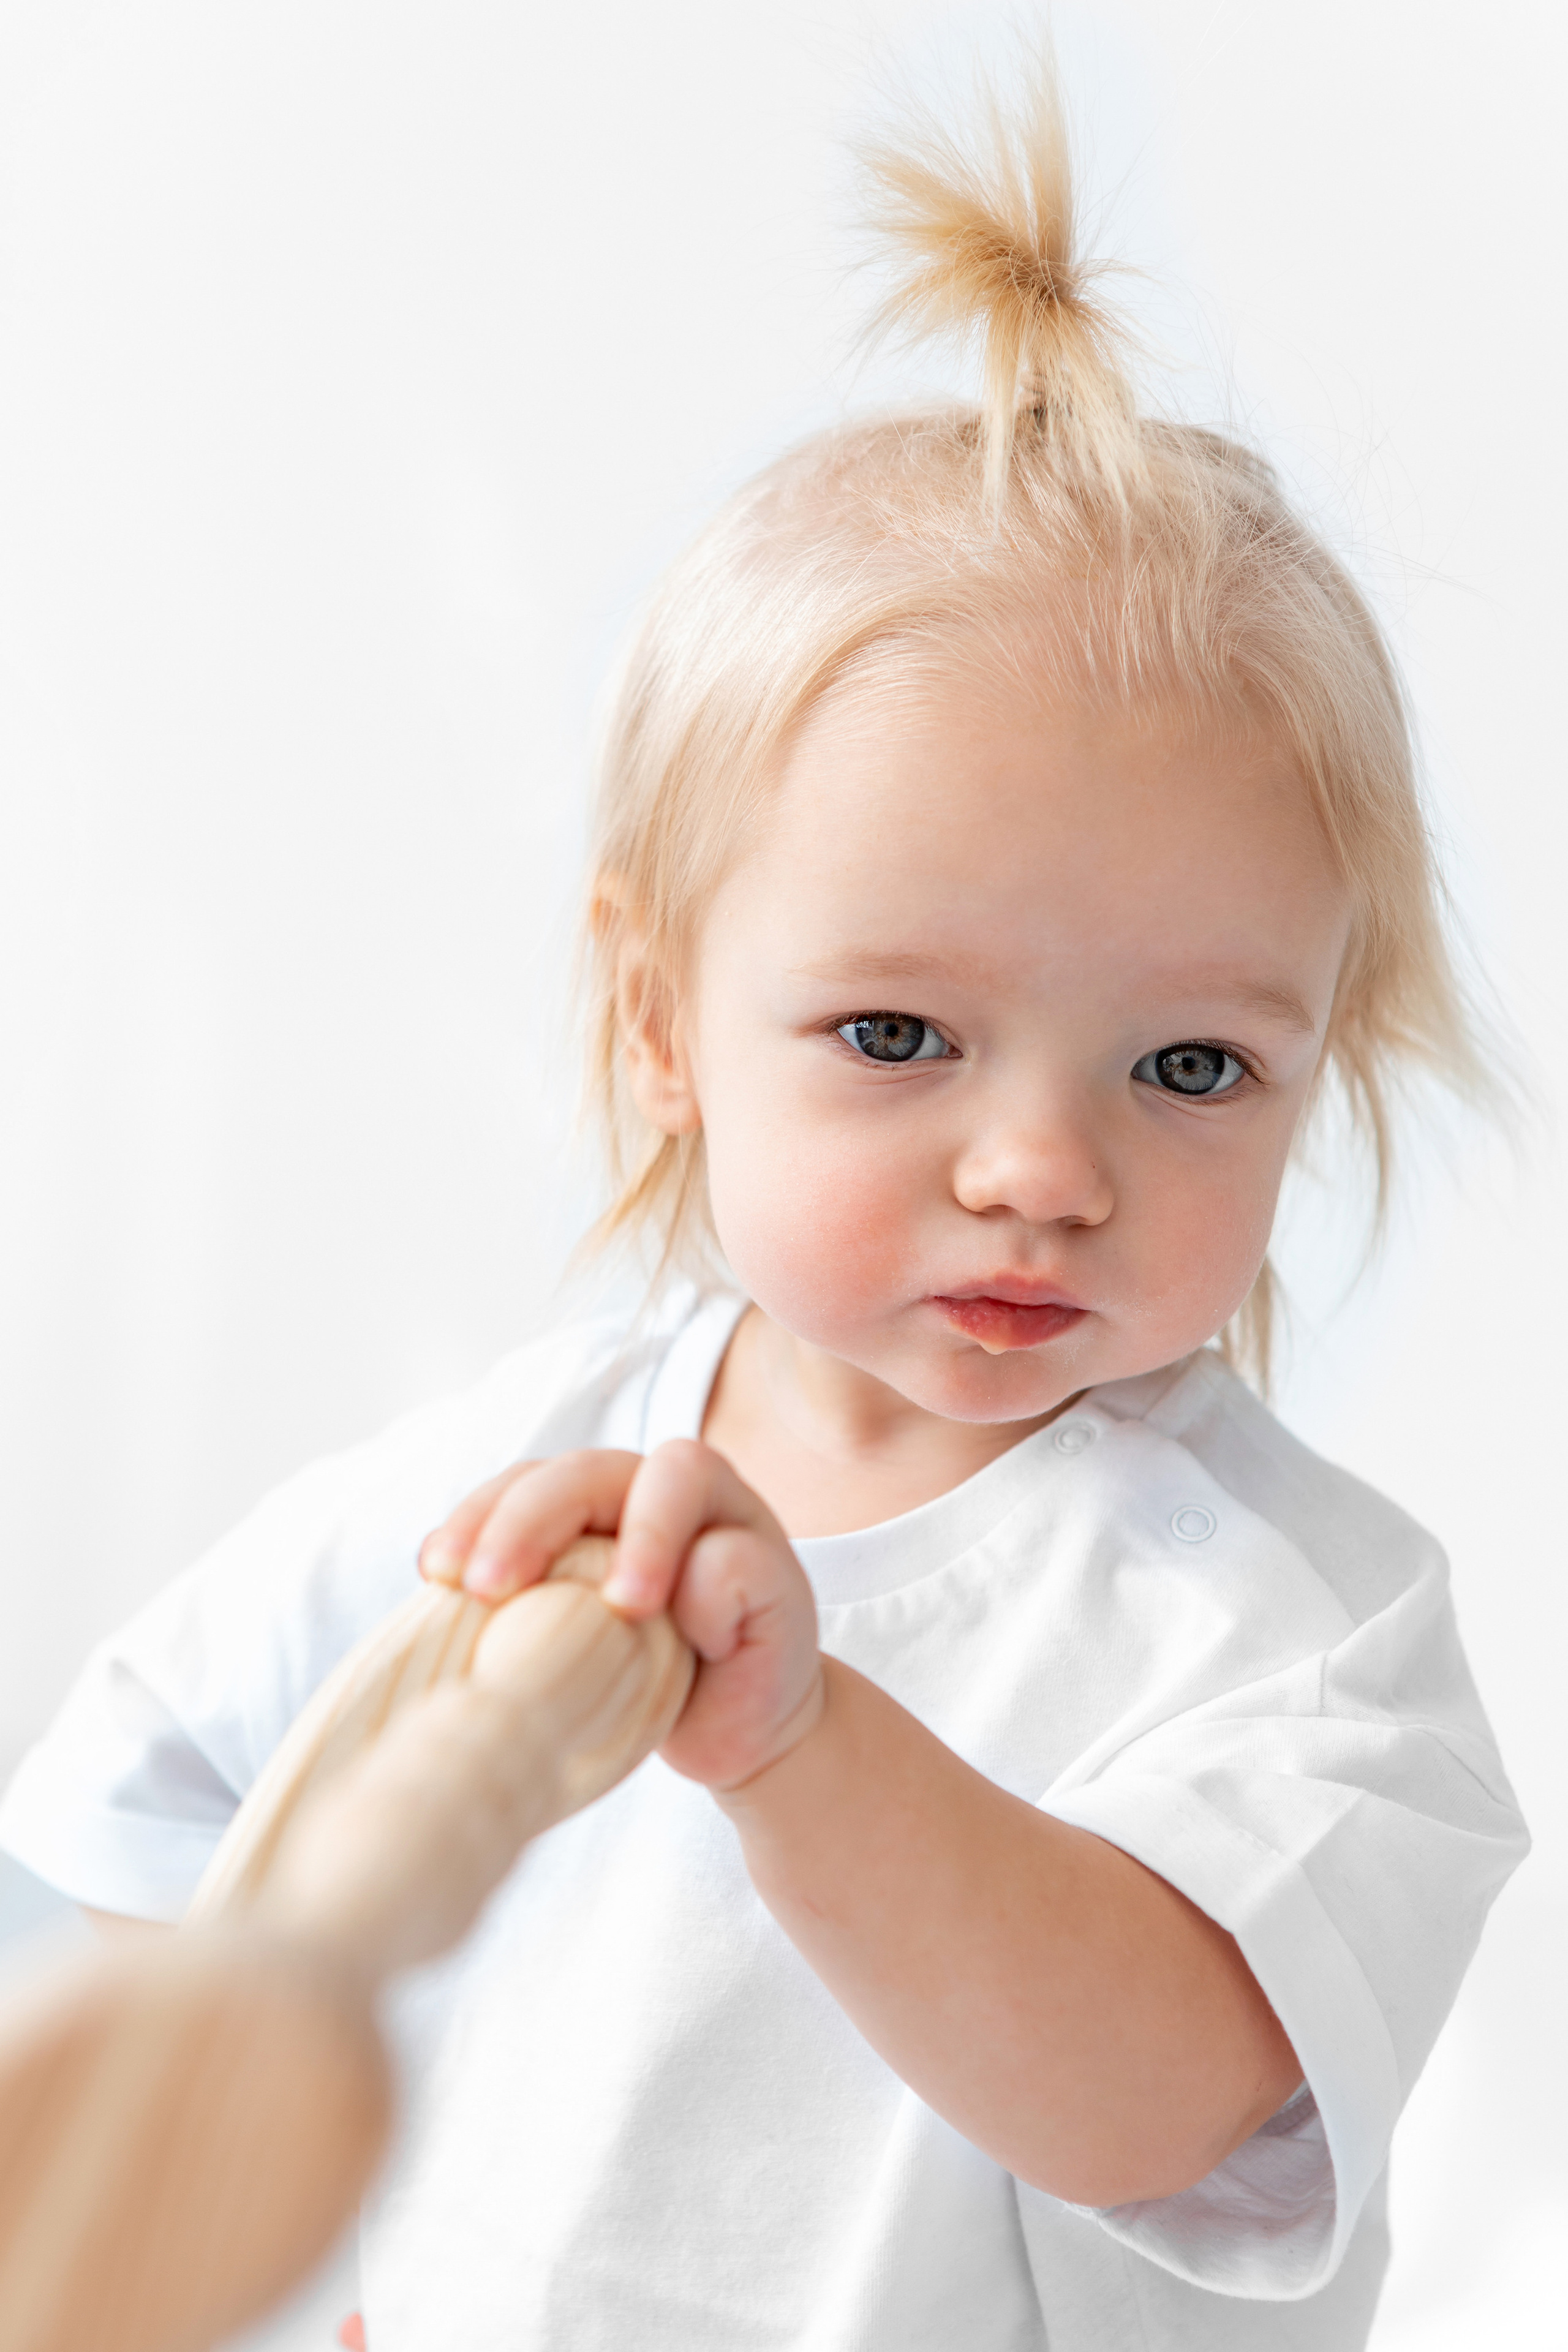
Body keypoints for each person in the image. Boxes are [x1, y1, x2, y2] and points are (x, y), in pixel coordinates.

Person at [0, 67, 1528, 2352]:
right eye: (900, 1038)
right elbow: (163, 1814)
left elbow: (1156, 2100)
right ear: (658, 1023)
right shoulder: (510, 1491)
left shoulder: (1300, 1637)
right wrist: (283, 2203)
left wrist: (804, 1746)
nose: (1043, 1167)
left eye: (1192, 1067)